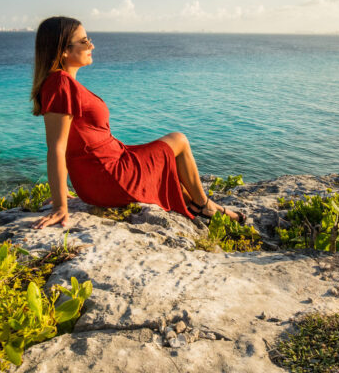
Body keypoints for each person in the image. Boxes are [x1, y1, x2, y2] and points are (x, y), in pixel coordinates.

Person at [30, 16, 245, 229]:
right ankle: (204, 205)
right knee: (179, 140)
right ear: (64, 50)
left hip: (107, 168)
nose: (92, 45)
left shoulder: (63, 83)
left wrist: (63, 191)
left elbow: (70, 143)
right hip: (109, 176)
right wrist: (60, 204)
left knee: (172, 176)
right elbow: (57, 147)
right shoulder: (60, 83)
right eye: (84, 41)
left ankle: (204, 205)